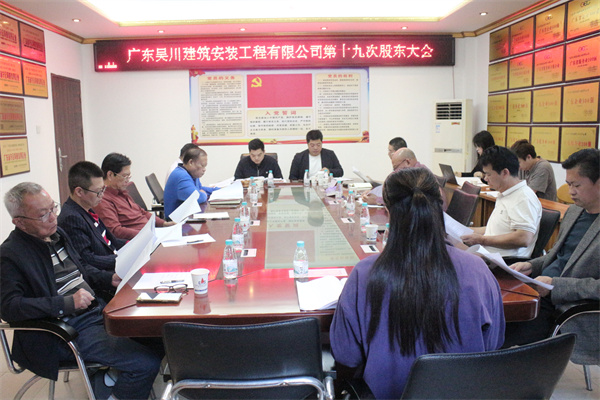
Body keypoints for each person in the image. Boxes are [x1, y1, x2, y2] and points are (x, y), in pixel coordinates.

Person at [330, 168, 505, 399]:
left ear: (387, 211)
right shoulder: (477, 270)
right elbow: (492, 345)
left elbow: (347, 356)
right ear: (440, 205)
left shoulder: (365, 274)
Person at [1, 182, 161, 400]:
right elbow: (9, 307)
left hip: (95, 311)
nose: (53, 217)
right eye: (43, 215)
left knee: (159, 335)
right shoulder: (10, 255)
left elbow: (82, 269)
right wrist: (66, 303)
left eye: (53, 208)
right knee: (145, 364)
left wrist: (109, 278)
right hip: (64, 330)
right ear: (20, 222)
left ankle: (109, 379)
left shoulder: (57, 235)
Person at [504, 148, 599, 347]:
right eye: (568, 184)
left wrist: (556, 286)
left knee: (503, 332)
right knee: (490, 309)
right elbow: (558, 256)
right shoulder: (574, 212)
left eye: (577, 185)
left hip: (567, 305)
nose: (571, 191)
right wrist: (532, 265)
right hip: (540, 287)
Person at [460, 146, 542, 258]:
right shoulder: (505, 193)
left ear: (505, 173)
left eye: (488, 174)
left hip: (503, 260)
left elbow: (524, 237)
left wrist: (482, 240)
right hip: (488, 253)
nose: (485, 178)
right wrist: (465, 231)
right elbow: (497, 230)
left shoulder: (523, 197)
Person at [58, 161, 126, 272]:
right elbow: (88, 259)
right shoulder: (71, 218)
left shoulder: (87, 208)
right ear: (79, 192)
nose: (102, 195)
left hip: (115, 260)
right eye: (98, 191)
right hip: (107, 273)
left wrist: (134, 245)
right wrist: (123, 260)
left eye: (103, 189)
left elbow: (110, 241)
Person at [95, 152, 174, 240]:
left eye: (129, 176)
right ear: (110, 175)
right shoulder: (103, 200)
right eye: (125, 176)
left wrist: (164, 224)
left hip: (151, 235)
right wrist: (148, 235)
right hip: (140, 240)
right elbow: (115, 231)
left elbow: (142, 212)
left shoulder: (121, 192)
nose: (127, 180)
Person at [164, 146, 219, 217]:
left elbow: (200, 189)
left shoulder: (190, 173)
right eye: (202, 165)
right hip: (177, 220)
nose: (204, 169)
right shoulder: (181, 176)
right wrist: (203, 194)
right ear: (191, 162)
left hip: (187, 215)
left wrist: (217, 190)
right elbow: (197, 198)